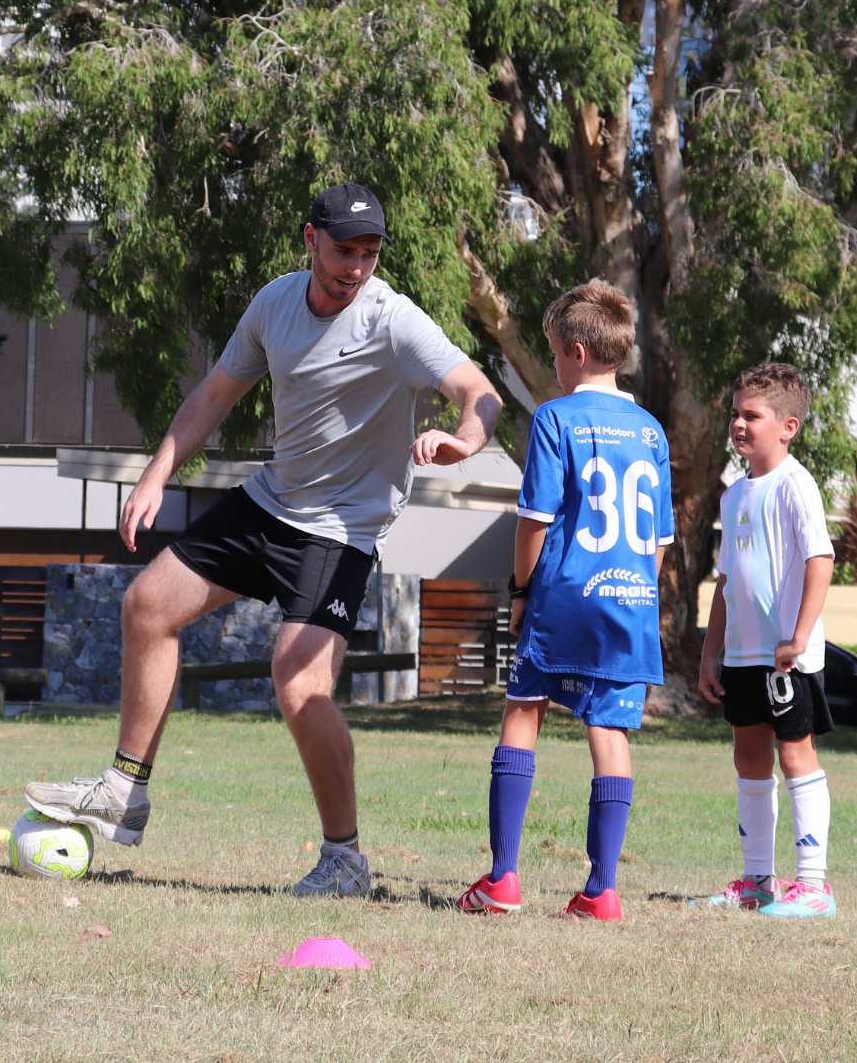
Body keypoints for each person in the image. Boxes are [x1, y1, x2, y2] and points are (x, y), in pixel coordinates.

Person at [25, 183, 502, 897]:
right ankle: (125, 791)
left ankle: (344, 860)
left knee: (299, 682)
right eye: (345, 250)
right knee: (147, 605)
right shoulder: (274, 305)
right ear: (311, 240)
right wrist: (157, 473)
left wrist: (466, 441)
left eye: (371, 253)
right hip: (273, 502)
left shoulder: (393, 320)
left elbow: (479, 390)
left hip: (342, 529)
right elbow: (215, 394)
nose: (358, 266)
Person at [457, 279, 673, 921]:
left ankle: (503, 880)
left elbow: (534, 521)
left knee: (523, 712)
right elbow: (659, 540)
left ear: (576, 352)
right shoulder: (653, 431)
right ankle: (602, 890)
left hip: (565, 599)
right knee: (608, 729)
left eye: (552, 353)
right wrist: (638, 595)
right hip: (629, 604)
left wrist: (522, 592)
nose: (551, 364)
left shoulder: (556, 418)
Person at [698, 363, 836, 918]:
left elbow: (820, 561)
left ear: (788, 426)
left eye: (751, 415)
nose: (738, 423)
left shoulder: (796, 485)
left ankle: (814, 885)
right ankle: (758, 879)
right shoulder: (734, 497)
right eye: (734, 413)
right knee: (749, 757)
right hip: (742, 657)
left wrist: (797, 638)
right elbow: (728, 581)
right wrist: (712, 651)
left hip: (786, 658)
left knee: (794, 753)